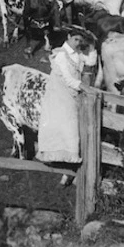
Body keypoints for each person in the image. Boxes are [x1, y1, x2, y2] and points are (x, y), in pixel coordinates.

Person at [35, 29, 98, 184]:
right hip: (59, 93)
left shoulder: (77, 54)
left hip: (71, 94)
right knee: (65, 126)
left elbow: (90, 62)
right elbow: (69, 79)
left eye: (81, 41)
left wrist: (91, 44)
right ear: (69, 37)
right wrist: (84, 87)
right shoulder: (61, 55)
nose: (78, 43)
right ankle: (66, 165)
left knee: (72, 127)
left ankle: (72, 166)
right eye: (76, 39)